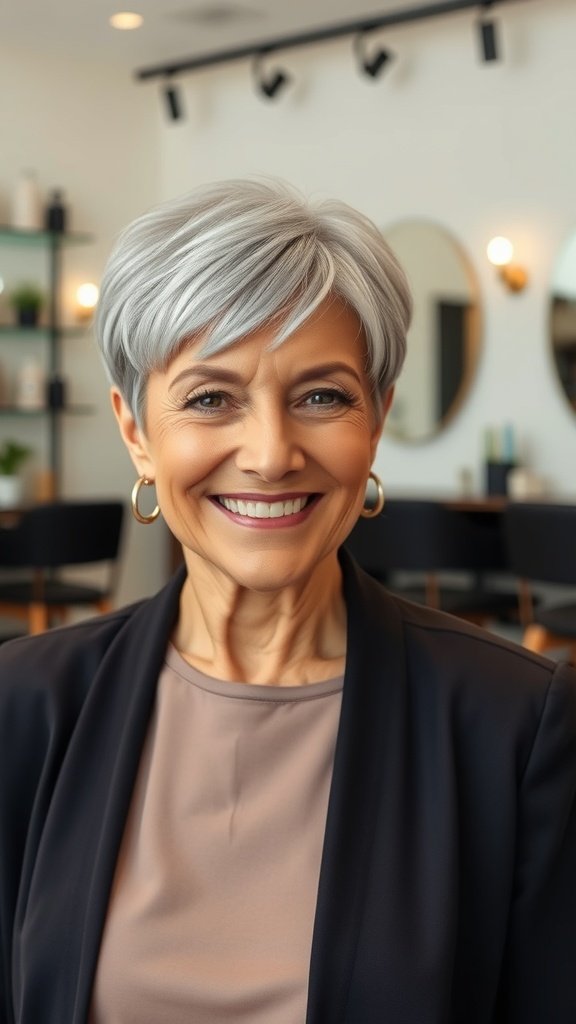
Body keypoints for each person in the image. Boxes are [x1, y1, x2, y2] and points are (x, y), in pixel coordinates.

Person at [0, 178, 575, 1024]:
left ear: (375, 421)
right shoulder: (24, 703)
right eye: (210, 398)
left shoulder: (513, 724)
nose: (270, 454)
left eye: (322, 396)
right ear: (135, 431)